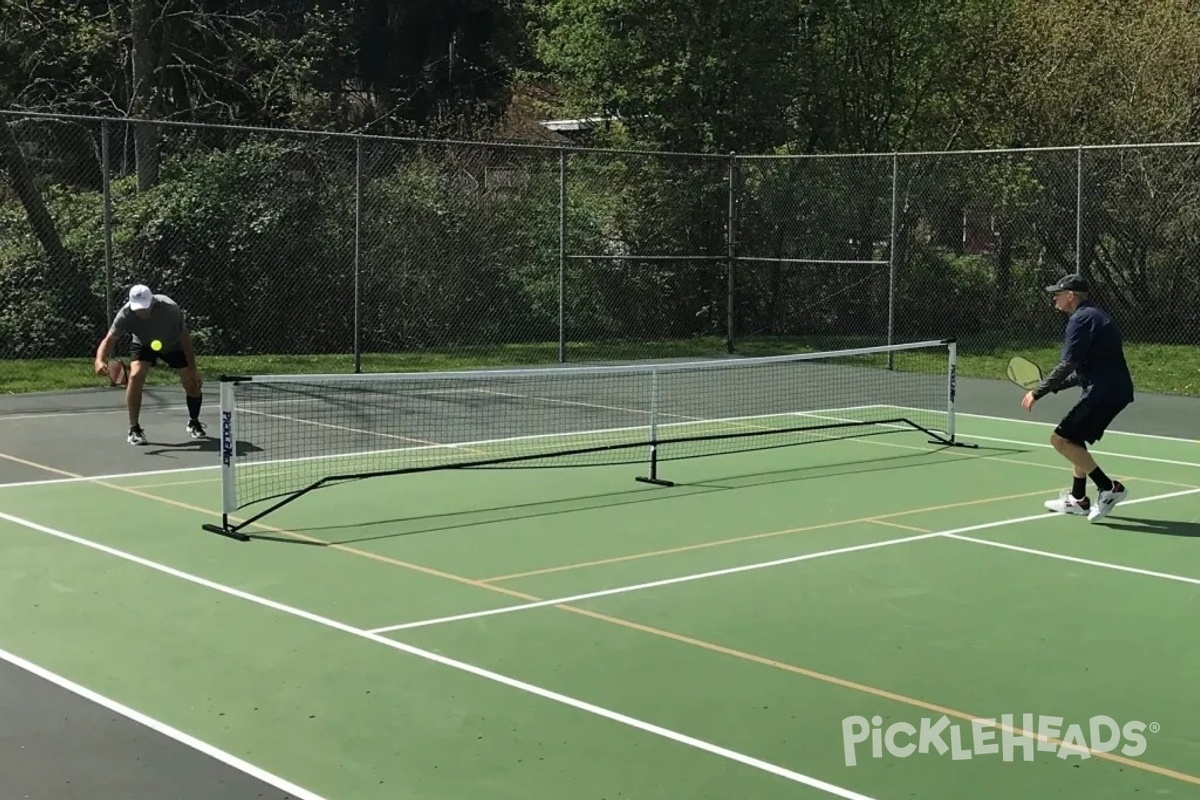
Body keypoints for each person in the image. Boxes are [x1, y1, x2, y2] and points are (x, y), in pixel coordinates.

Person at [1022, 273, 1134, 522]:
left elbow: (1067, 364)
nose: (1054, 299)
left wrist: (1036, 392)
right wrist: (1054, 387)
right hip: (1112, 390)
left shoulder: (1080, 320)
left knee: (1060, 440)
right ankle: (1078, 499)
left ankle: (1109, 488)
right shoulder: (1094, 315)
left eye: (1058, 294)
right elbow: (1087, 369)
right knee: (1074, 439)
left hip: (1105, 392)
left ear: (1070, 296)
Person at [93, 284, 206, 445]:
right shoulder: (126, 313)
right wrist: (99, 360)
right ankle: (134, 429)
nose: (141, 312)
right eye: (138, 308)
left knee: (191, 383)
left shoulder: (170, 309)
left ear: (152, 302)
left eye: (145, 307)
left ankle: (194, 422)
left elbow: (185, 338)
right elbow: (109, 339)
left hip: (174, 345)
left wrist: (193, 370)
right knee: (135, 375)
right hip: (144, 345)